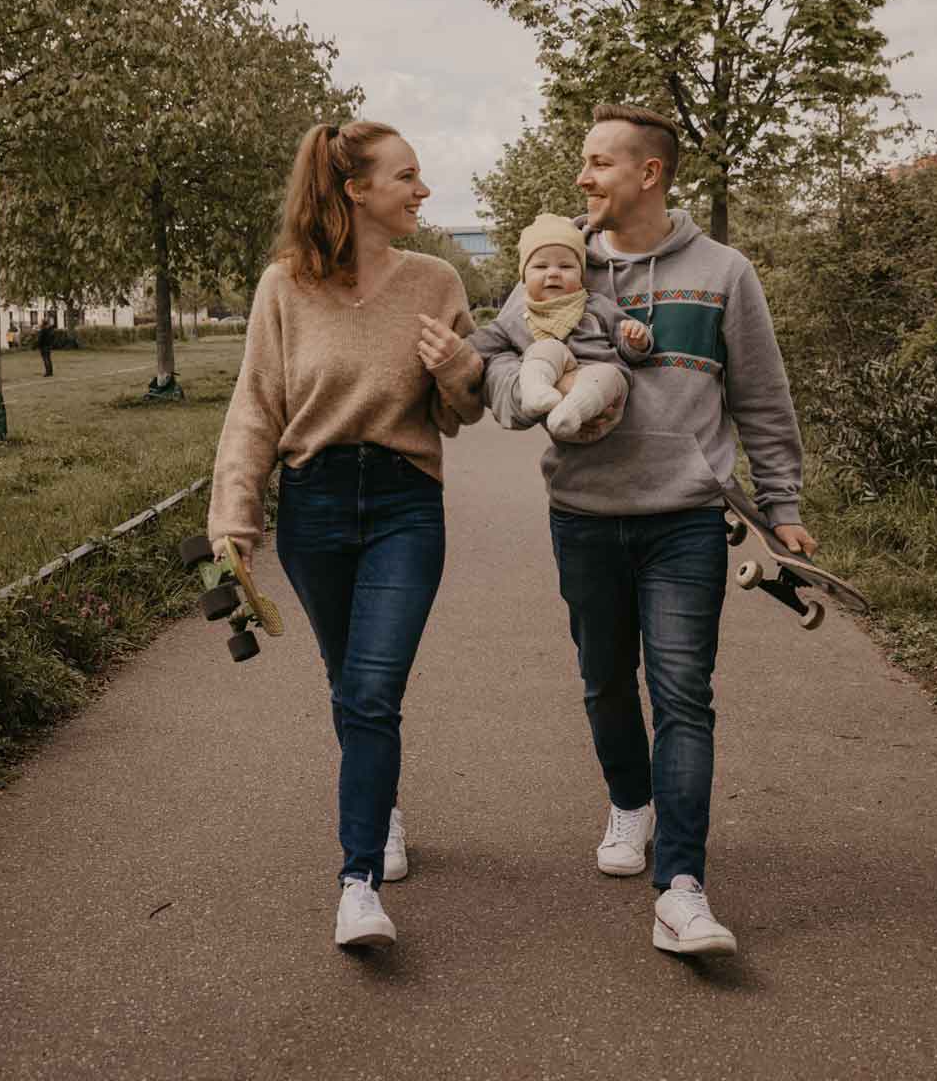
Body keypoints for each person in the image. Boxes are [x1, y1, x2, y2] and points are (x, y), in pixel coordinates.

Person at [482, 103, 816, 958]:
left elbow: (763, 398)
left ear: (649, 173)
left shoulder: (724, 272)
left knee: (682, 696)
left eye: (598, 163)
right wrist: (523, 389)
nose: (584, 177)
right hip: (584, 517)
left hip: (687, 520)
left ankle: (683, 887)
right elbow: (493, 356)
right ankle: (630, 802)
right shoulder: (555, 268)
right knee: (603, 682)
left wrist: (782, 508)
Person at [207, 120, 484, 953]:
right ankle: (383, 801)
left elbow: (461, 414)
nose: (423, 191)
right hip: (316, 505)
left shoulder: (435, 282)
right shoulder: (283, 287)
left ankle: (356, 882)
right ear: (355, 190)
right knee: (346, 681)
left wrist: (455, 371)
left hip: (405, 503)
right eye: (408, 176)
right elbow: (256, 407)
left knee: (371, 689)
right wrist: (234, 518)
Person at [468, 212, 651, 438]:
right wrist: (454, 352)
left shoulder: (596, 305)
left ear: (581, 274)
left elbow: (627, 346)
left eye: (565, 267)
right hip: (553, 414)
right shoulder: (516, 319)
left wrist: (636, 342)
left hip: (600, 404)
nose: (553, 273)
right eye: (541, 267)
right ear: (524, 277)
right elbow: (479, 344)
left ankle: (575, 407)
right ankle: (537, 392)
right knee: (546, 349)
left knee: (609, 374)